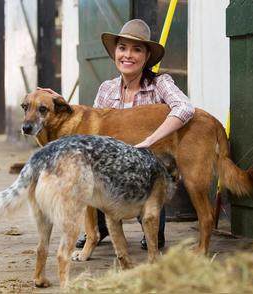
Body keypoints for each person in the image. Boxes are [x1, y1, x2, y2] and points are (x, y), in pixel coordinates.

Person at [40, 19, 194, 250]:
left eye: (136, 49)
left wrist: (151, 139)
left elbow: (185, 108)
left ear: (146, 57)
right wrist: (59, 103)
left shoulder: (160, 83)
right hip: (113, 171)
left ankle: (150, 226)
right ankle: (97, 229)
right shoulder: (107, 89)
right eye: (122, 48)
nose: (128, 55)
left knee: (152, 184)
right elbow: (92, 127)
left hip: (148, 169)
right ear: (115, 53)